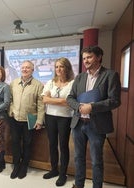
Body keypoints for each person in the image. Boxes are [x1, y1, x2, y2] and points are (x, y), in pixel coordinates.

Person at [67, 46, 121, 188]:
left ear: (98, 57)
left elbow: (115, 100)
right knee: (78, 158)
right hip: (78, 123)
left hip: (96, 125)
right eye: (84, 58)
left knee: (97, 160)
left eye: (89, 57)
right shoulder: (79, 77)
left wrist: (92, 107)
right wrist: (78, 106)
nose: (86, 61)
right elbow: (70, 98)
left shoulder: (110, 75)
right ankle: (79, 185)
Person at [9, 60, 45, 179]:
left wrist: (39, 120)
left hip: (29, 120)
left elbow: (40, 105)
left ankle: (24, 166)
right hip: (15, 119)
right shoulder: (14, 83)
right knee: (15, 143)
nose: (25, 69)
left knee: (27, 144)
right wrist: (11, 111)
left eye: (28, 68)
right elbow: (10, 100)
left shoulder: (38, 85)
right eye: (23, 67)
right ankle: (16, 165)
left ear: (32, 70)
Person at [41, 57, 74, 186]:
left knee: (63, 146)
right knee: (52, 144)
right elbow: (45, 100)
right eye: (56, 67)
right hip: (50, 116)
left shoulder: (72, 83)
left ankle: (62, 174)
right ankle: (54, 170)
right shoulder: (50, 82)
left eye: (61, 66)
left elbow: (69, 102)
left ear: (67, 68)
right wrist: (61, 101)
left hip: (65, 118)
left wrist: (52, 99)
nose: (58, 69)